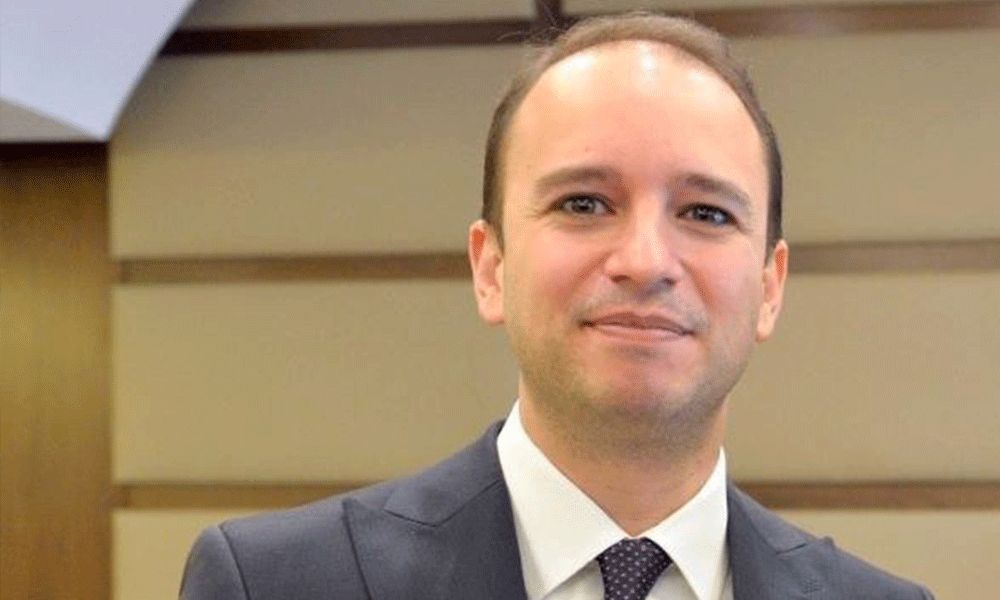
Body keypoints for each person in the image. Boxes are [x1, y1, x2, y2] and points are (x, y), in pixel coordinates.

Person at [180, 13, 933, 599]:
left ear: (770, 287)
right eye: (584, 203)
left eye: (706, 213)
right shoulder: (273, 585)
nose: (645, 261)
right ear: (490, 266)